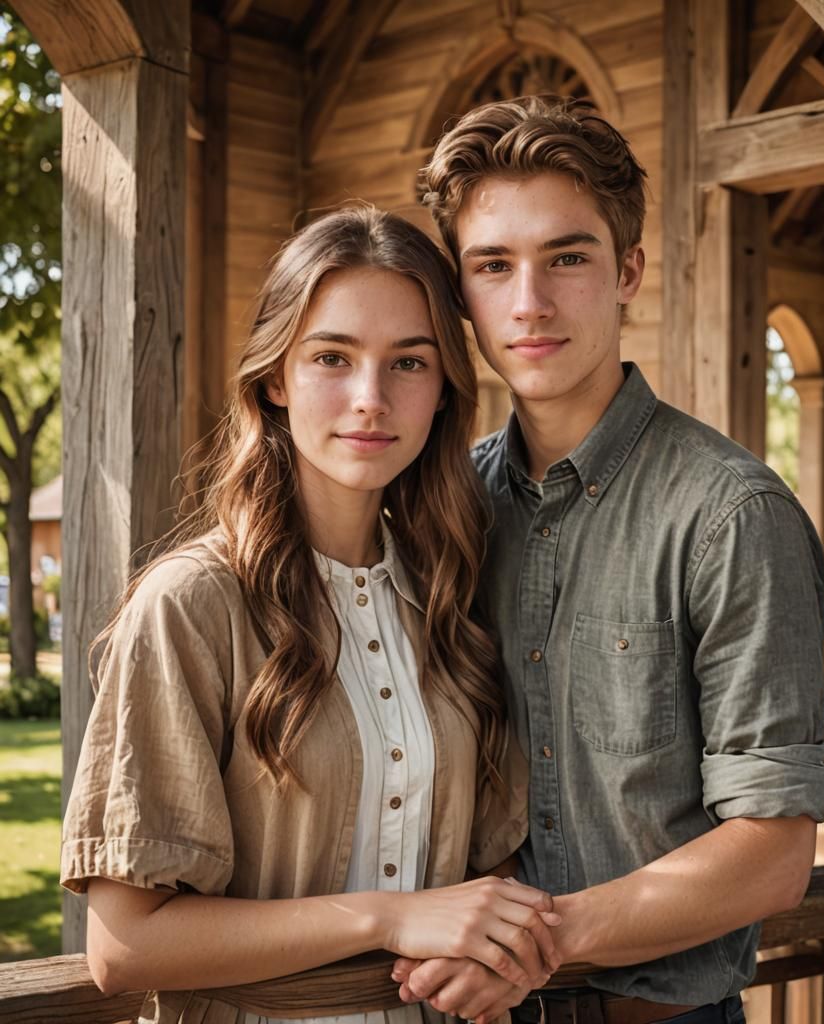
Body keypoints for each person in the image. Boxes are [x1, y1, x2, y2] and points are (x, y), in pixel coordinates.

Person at [59, 206, 562, 1024]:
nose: (371, 398)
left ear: (442, 393)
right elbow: (125, 948)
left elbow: (482, 879)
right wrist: (386, 915)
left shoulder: (447, 603)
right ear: (274, 378)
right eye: (332, 356)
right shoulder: (191, 606)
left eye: (409, 362)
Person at [393, 97, 824, 1024]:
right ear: (461, 297)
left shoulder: (732, 516)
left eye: (567, 257)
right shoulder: (447, 509)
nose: (530, 302)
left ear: (627, 268)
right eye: (493, 266)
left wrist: (533, 942)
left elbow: (774, 847)